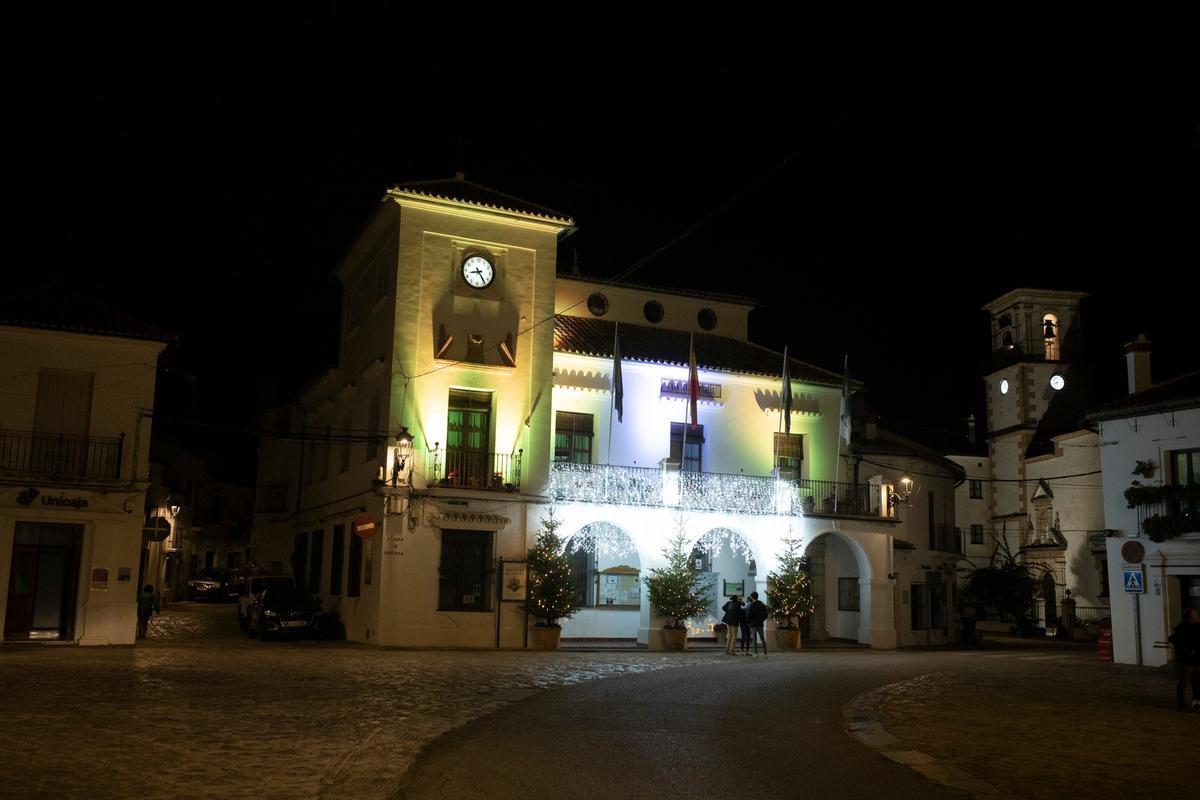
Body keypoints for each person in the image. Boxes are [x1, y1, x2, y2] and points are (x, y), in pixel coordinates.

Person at [1168, 607, 1200, 711]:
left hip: (1197, 659)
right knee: (1184, 682)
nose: (1197, 616)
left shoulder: (1198, 626)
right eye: (1195, 614)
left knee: (1197, 682)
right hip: (1187, 660)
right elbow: (1173, 639)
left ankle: (1196, 702)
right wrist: (1187, 650)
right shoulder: (1182, 628)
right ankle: (1181, 703)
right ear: (1190, 617)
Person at [747, 591, 769, 658]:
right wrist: (761, 620)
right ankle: (765, 653)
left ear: (752, 597)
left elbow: (749, 615)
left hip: (753, 624)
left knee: (754, 639)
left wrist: (749, 622)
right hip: (760, 624)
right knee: (762, 639)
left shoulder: (751, 605)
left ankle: (756, 654)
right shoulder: (761, 604)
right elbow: (766, 614)